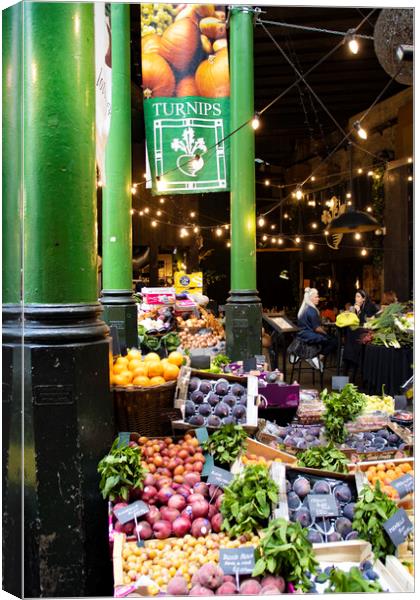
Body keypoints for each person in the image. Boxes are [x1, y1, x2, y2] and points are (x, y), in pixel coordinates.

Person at [295, 287, 337, 371]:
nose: (318, 298)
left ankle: (313, 357)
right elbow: (317, 328)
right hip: (309, 336)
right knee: (334, 341)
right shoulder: (312, 310)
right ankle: (316, 358)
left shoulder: (303, 309)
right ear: (310, 298)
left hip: (301, 335)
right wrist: (325, 333)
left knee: (328, 338)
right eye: (316, 297)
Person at [342, 289, 378, 381]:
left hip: (366, 333)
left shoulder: (369, 307)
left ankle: (352, 371)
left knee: (354, 337)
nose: (356, 299)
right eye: (355, 296)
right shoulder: (355, 307)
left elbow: (365, 321)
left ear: (364, 299)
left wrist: (359, 312)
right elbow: (353, 321)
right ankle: (345, 374)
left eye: (358, 297)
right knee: (350, 333)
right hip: (356, 333)